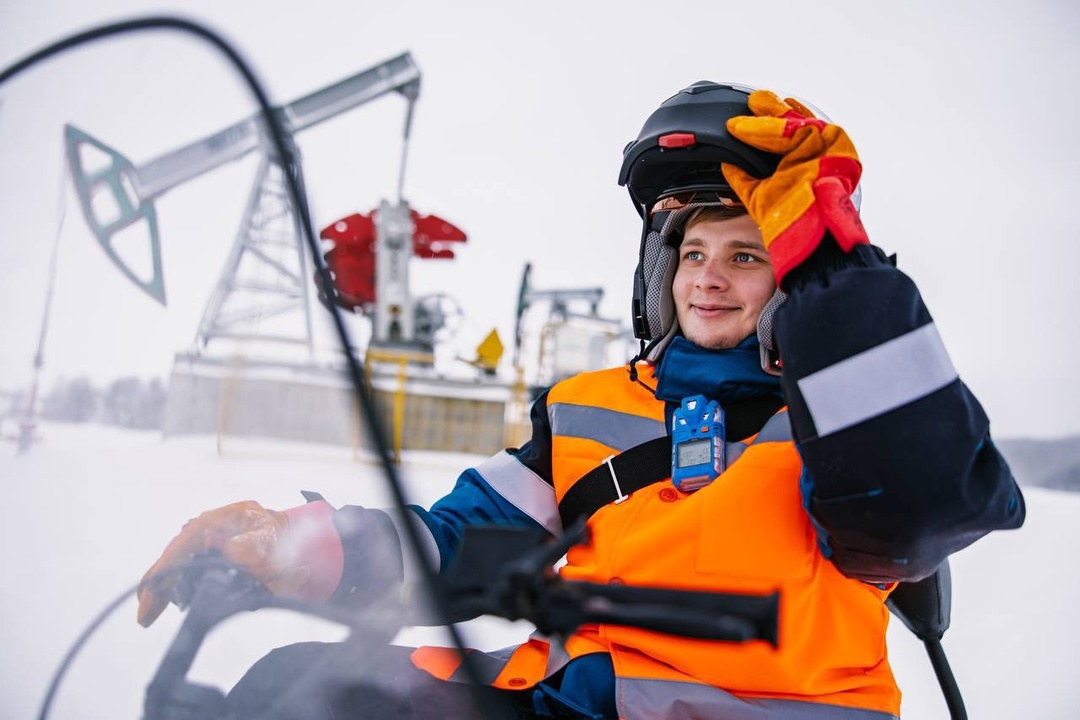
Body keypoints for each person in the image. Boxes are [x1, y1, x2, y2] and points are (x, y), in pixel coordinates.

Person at [136, 82, 1026, 720]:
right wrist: (294, 547)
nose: (708, 280)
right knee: (292, 690)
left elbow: (917, 506)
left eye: (748, 255)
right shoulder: (583, 408)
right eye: (692, 253)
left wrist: (841, 280)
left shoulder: (847, 420)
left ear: (794, 273)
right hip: (559, 697)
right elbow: (455, 551)